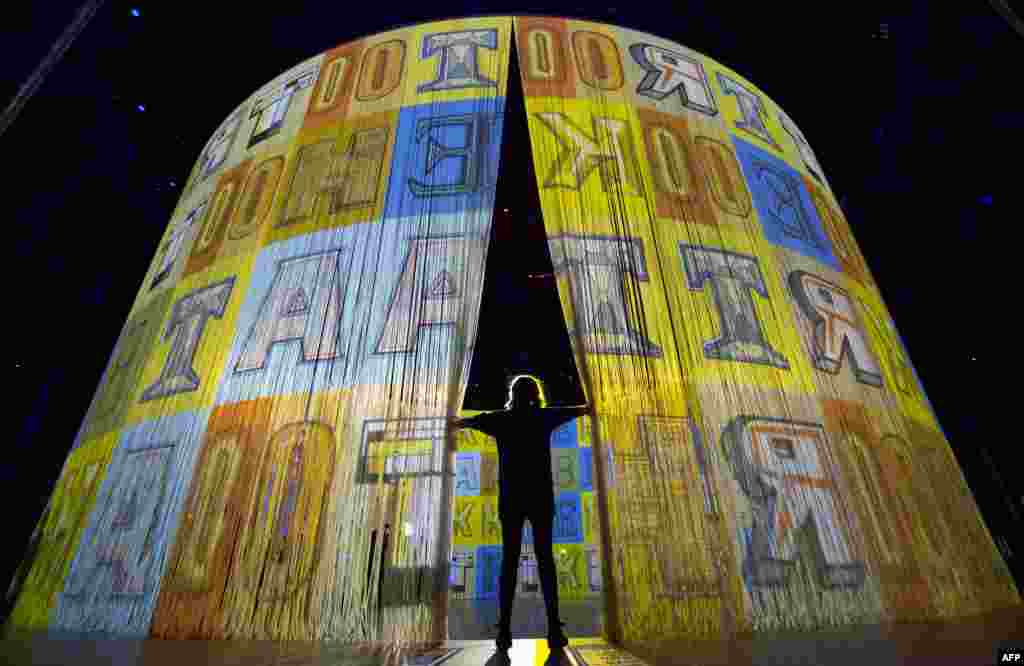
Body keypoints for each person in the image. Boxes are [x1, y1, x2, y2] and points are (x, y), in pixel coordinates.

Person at [451, 375, 590, 653]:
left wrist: (455, 421)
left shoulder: (502, 420)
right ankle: (553, 629)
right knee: (545, 562)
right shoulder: (542, 417)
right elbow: (572, 411)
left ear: (512, 394)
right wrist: (587, 408)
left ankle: (503, 631)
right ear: (536, 394)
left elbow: (475, 420)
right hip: (540, 498)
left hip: (511, 500)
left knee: (510, 562)